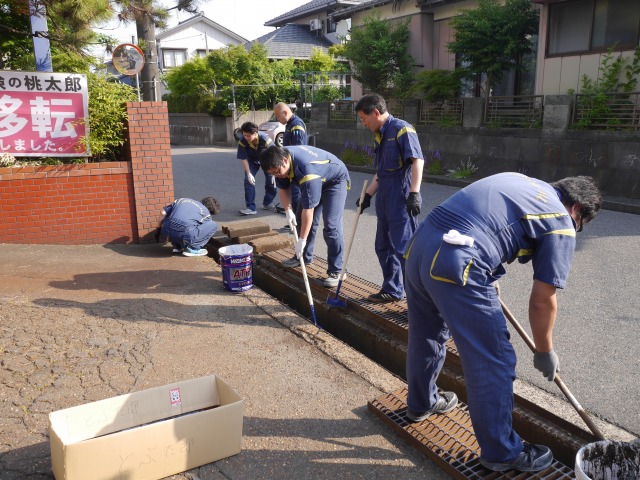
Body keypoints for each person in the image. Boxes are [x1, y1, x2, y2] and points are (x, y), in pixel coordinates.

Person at [403, 173, 601, 473]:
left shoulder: (520, 181)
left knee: (426, 335)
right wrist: (545, 351)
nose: (576, 229)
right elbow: (543, 299)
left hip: (418, 250)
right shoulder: (562, 219)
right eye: (580, 225)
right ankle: (502, 452)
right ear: (577, 210)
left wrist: (486, 271)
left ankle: (421, 403)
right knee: (493, 359)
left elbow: (486, 222)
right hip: (457, 260)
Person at [354, 93, 424, 303]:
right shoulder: (381, 135)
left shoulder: (402, 129)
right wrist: (367, 195)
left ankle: (417, 301)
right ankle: (392, 289)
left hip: (401, 198)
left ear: (375, 112)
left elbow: (417, 161)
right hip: (384, 198)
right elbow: (382, 171)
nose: (363, 123)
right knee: (383, 246)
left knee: (405, 251)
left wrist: (414, 193)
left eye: (364, 118)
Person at [259, 145, 350, 288]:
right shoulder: (278, 160)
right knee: (300, 219)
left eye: (277, 172)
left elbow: (309, 210)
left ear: (284, 161)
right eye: (273, 174)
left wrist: (301, 240)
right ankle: (304, 257)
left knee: (331, 227)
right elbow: (283, 188)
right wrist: (288, 211)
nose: (277, 175)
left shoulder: (306, 170)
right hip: (317, 177)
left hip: (335, 181)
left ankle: (338, 271)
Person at [274, 102, 308, 224]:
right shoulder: (290, 124)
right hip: (290, 166)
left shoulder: (296, 125)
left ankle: (299, 222)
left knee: (296, 195)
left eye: (278, 116)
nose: (277, 119)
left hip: (296, 167)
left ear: (285, 112)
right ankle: (295, 220)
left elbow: (298, 149)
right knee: (294, 195)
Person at [155, 197, 221, 257]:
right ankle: (193, 249)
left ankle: (177, 246)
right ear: (209, 210)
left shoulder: (182, 200)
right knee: (213, 225)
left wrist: (158, 228)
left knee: (173, 215)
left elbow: (163, 212)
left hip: (166, 232)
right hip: (185, 233)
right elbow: (203, 230)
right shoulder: (206, 212)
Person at [236, 122, 277, 215]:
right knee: (248, 180)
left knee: (271, 181)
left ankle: (268, 203)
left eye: (248, 136)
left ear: (255, 133)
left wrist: (275, 172)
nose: (246, 138)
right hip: (252, 161)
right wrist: (249, 173)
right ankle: (250, 207)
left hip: (266, 160)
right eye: (244, 135)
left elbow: (275, 155)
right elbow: (243, 158)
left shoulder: (266, 140)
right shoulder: (243, 141)